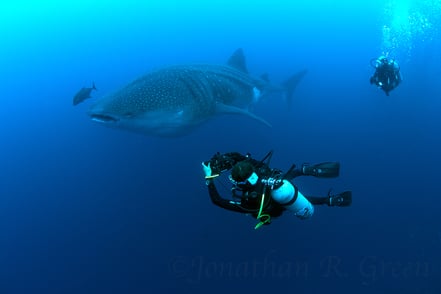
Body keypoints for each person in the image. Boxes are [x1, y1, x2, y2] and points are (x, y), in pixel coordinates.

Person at [201, 151, 352, 229]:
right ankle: (304, 170)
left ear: (239, 182)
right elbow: (240, 158)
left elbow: (217, 200)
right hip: (279, 183)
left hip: (274, 206)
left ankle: (329, 200)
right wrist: (226, 159)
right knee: (286, 185)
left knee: (285, 203)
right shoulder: (260, 168)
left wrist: (209, 178)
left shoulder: (249, 201)